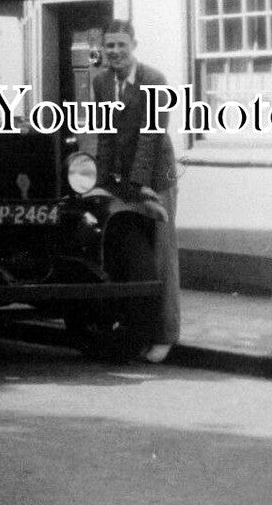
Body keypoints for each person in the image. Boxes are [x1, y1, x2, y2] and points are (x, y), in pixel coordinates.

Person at [93, 18, 180, 363]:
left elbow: (151, 136)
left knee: (161, 255)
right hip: (121, 181)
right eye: (109, 45)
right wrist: (99, 183)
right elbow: (104, 136)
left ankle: (165, 335)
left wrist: (143, 187)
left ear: (134, 46)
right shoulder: (101, 83)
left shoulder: (154, 80)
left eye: (121, 45)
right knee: (129, 255)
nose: (115, 52)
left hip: (155, 179)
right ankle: (134, 330)